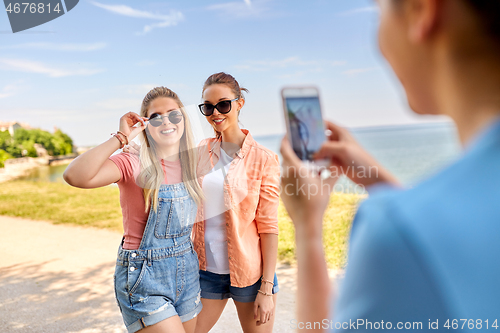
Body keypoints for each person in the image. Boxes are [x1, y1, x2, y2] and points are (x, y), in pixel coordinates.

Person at [280, 0, 500, 331]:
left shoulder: (392, 233)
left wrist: (308, 229)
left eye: (377, 11)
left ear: (421, 11)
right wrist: (377, 180)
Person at [63, 87, 204, 333]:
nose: (166, 121)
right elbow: (74, 175)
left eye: (174, 114)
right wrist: (121, 137)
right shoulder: (132, 162)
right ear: (145, 124)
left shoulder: (192, 164)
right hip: (144, 278)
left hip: (187, 273)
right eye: (156, 117)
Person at [193, 72, 280, 333]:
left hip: (251, 275)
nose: (215, 113)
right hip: (206, 271)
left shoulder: (264, 158)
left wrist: (266, 288)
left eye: (223, 104)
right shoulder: (200, 150)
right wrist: (130, 145)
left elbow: (268, 226)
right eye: (208, 107)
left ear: (239, 103)